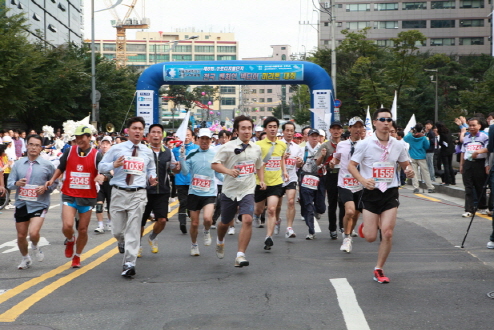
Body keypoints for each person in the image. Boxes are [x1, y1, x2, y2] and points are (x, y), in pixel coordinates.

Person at [348, 108, 414, 283]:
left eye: (389, 120)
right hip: (371, 192)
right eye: (382, 119)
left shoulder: (398, 144)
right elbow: (351, 166)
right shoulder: (365, 144)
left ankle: (379, 268)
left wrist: (409, 171)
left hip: (390, 191)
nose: (386, 123)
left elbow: (406, 164)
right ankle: (366, 226)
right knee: (370, 237)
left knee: (387, 232)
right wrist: (363, 180)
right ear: (375, 123)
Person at [99, 117, 157, 277]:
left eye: (140, 129)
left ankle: (129, 263)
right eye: (134, 128)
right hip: (118, 191)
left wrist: (152, 177)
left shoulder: (147, 151)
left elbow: (152, 168)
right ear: (128, 131)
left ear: (143, 132)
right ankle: (121, 241)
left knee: (133, 229)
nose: (137, 131)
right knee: (117, 231)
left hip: (138, 193)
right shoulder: (117, 149)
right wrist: (113, 165)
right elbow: (101, 165)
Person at [45, 126, 104, 268]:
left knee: (83, 230)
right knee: (67, 226)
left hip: (87, 197)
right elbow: (61, 166)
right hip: (69, 194)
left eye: (82, 137)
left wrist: (102, 176)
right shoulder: (70, 151)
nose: (78, 140)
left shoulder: (97, 155)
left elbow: (104, 170)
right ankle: (70, 239)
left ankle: (77, 256)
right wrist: (53, 179)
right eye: (76, 137)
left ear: (89, 137)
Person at [211, 115, 264, 267]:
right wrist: (228, 171)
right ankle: (220, 241)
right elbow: (215, 165)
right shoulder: (227, 147)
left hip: (247, 190)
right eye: (243, 128)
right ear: (236, 131)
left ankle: (240, 255)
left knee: (247, 219)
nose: (247, 131)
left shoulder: (256, 148)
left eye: (249, 128)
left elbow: (259, 165)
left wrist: (261, 180)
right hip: (230, 191)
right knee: (224, 223)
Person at [8, 134, 57, 269]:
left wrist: (46, 187)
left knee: (34, 233)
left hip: (39, 203)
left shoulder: (47, 165)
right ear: (27, 145)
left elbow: (54, 182)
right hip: (22, 202)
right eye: (31, 144)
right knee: (21, 235)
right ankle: (25, 258)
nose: (33, 148)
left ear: (41, 148)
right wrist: (17, 183)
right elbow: (10, 183)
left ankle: (35, 245)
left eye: (36, 145)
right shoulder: (18, 164)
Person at [180, 128, 223, 256]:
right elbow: (185, 172)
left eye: (207, 139)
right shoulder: (191, 153)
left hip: (209, 192)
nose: (204, 141)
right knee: (194, 223)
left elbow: (219, 174)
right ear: (198, 139)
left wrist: (230, 179)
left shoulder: (215, 154)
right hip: (194, 192)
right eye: (202, 138)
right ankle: (194, 245)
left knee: (207, 218)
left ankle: (206, 230)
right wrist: (182, 158)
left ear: (211, 140)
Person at [140, 124, 178, 257]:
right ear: (149, 135)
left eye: (159, 132)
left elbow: (174, 169)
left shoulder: (168, 152)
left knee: (162, 220)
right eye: (153, 132)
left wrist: (177, 167)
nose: (156, 135)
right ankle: (137, 244)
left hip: (162, 191)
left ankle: (152, 237)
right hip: (144, 191)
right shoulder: (142, 150)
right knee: (140, 222)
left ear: (162, 135)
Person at [253, 116, 288, 250]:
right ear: (265, 129)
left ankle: (269, 237)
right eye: (270, 127)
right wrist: (261, 180)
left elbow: (281, 159)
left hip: (276, 182)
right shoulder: (258, 145)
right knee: (259, 209)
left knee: (272, 210)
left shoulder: (282, 144)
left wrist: (284, 171)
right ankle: (256, 215)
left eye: (275, 127)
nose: (273, 129)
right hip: (260, 183)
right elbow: (258, 164)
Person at [332, 117, 364, 253]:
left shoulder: (367, 144)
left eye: (360, 126)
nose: (357, 129)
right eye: (354, 126)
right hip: (345, 182)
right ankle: (346, 237)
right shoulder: (342, 144)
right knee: (349, 211)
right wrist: (332, 162)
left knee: (356, 214)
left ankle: (349, 232)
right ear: (349, 129)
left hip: (361, 183)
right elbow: (337, 157)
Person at [276, 122, 303, 238]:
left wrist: (299, 162)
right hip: (277, 178)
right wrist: (281, 158)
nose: (289, 133)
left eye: (291, 130)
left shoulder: (297, 148)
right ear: (283, 131)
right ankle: (276, 220)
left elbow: (299, 165)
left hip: (291, 178)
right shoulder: (277, 145)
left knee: (291, 201)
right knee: (277, 205)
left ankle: (289, 228)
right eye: (287, 130)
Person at [318, 121, 344, 239]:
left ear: (342, 131)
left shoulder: (346, 144)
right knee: (332, 204)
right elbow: (317, 163)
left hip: (343, 176)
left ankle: (343, 226)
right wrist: (323, 156)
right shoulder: (325, 145)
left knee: (343, 203)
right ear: (330, 131)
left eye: (338, 129)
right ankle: (332, 229)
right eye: (333, 129)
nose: (336, 131)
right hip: (331, 175)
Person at [298, 129, 326, 239]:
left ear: (319, 137)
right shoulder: (302, 149)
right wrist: (298, 162)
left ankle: (316, 211)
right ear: (307, 137)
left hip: (319, 178)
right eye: (312, 136)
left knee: (321, 207)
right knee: (308, 205)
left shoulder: (324, 148)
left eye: (316, 136)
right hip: (306, 177)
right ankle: (311, 230)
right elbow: (298, 163)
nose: (314, 138)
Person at [460, 117, 489, 217]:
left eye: (474, 125)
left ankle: (482, 206)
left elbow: (488, 149)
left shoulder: (484, 137)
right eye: (470, 125)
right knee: (468, 186)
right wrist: (461, 165)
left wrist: (478, 152)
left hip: (480, 163)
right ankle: (469, 209)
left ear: (479, 126)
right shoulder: (466, 137)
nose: (471, 127)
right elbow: (463, 152)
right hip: (468, 163)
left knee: (480, 186)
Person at [172, 128, 199, 234]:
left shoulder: (197, 148)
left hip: (194, 181)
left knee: (192, 204)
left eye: (188, 135)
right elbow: (172, 165)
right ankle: (182, 223)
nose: (186, 137)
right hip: (180, 180)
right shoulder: (175, 150)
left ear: (192, 136)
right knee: (183, 202)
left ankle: (193, 222)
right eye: (184, 135)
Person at [404, 123, 435, 194]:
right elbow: (427, 146)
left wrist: (410, 132)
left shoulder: (411, 137)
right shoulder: (424, 137)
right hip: (421, 156)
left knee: (414, 173)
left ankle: (416, 188)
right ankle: (430, 187)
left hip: (413, 156)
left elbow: (405, 138)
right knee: (425, 172)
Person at [212, 130, 232, 230]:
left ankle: (225, 222)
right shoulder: (214, 149)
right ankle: (213, 219)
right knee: (216, 202)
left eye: (226, 137)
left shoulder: (234, 149)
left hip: (228, 180)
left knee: (224, 202)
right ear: (219, 139)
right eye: (222, 137)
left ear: (229, 138)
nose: (224, 140)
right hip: (216, 180)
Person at [94, 136, 113, 234]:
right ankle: (100, 224)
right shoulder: (96, 155)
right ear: (100, 145)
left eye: (107, 144)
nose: (105, 146)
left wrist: (109, 173)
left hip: (110, 183)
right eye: (103, 143)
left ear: (111, 145)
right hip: (99, 184)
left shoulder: (114, 156)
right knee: (99, 205)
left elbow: (115, 172)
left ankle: (110, 223)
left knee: (110, 205)